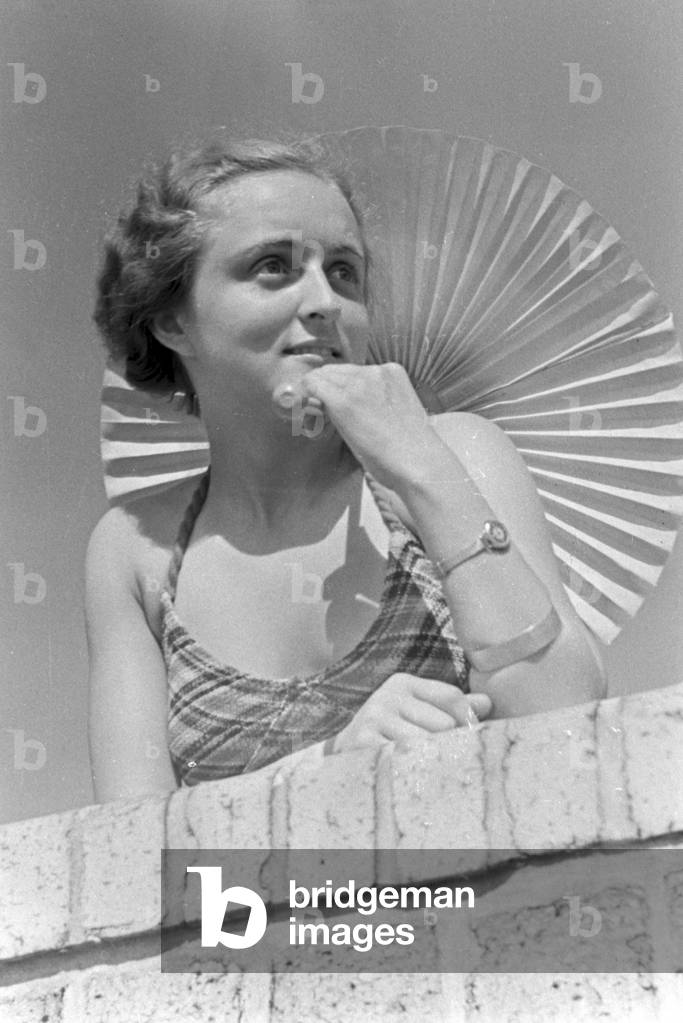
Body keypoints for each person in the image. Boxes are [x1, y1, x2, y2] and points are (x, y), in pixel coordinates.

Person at [86, 133, 607, 803]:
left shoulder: (459, 453)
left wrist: (423, 466)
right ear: (172, 321)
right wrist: (328, 765)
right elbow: (129, 838)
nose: (325, 302)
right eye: (272, 266)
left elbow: (566, 723)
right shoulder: (135, 551)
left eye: (342, 271)